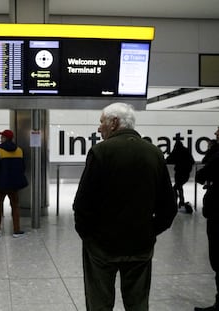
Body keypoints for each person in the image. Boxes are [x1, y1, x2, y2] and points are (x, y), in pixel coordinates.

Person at [73, 102, 177, 311]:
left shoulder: (101, 152)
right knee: (137, 303)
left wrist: (89, 237)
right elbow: (168, 206)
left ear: (114, 123)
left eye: (101, 122)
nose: (98, 127)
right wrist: (150, 231)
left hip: (102, 246)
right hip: (140, 245)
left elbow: (82, 204)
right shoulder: (154, 153)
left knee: (99, 303)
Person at [194, 127, 219, 311]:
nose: (216, 134)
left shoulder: (217, 155)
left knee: (218, 259)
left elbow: (202, 174)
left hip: (218, 213)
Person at [0, 129, 28, 238]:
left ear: (5, 138)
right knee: (15, 207)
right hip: (14, 185)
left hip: (0, 185)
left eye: (1, 137)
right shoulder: (19, 151)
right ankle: (16, 230)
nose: (0, 138)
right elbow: (22, 167)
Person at [166, 140, 195, 213]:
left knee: (176, 187)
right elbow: (192, 161)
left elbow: (168, 160)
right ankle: (180, 202)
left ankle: (176, 203)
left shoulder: (176, 150)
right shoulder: (186, 151)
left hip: (179, 172)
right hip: (186, 173)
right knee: (178, 187)